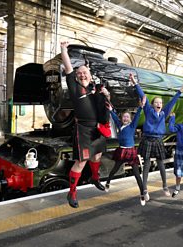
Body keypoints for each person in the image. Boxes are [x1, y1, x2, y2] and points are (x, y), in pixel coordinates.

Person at [60, 41, 110, 208]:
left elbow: (104, 106)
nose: (82, 75)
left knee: (97, 156)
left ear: (90, 75)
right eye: (80, 73)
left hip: (97, 129)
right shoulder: (74, 87)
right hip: (83, 129)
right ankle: (72, 192)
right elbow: (68, 67)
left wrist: (106, 95)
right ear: (76, 76)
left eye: (85, 72)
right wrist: (64, 50)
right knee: (81, 162)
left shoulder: (95, 88)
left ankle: (94, 178)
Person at [133, 74, 183, 202]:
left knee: (160, 164)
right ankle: (144, 189)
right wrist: (135, 83)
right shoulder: (148, 111)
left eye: (160, 102)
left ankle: (164, 186)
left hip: (158, 139)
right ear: (152, 105)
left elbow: (173, 101)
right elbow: (142, 96)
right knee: (146, 165)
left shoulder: (164, 113)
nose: (159, 104)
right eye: (156, 102)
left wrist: (180, 90)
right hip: (147, 138)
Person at [105, 82, 147, 206]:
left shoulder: (133, 126)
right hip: (122, 150)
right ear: (122, 118)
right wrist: (111, 110)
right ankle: (107, 182)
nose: (126, 119)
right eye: (124, 117)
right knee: (114, 169)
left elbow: (138, 115)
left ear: (130, 119)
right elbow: (114, 117)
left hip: (130, 151)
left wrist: (141, 106)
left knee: (136, 174)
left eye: (128, 117)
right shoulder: (119, 125)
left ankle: (142, 194)